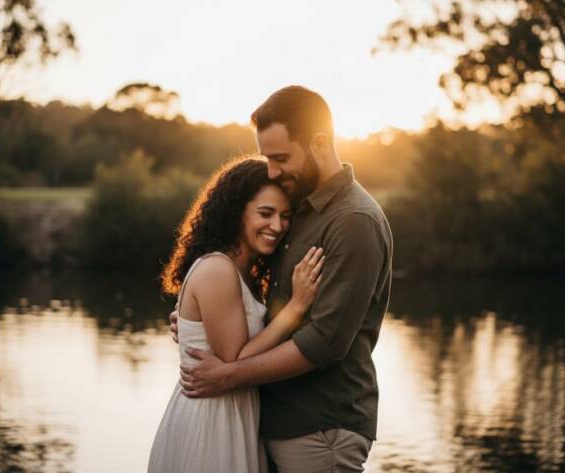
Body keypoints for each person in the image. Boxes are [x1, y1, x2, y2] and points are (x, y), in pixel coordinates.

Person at [170, 86, 394, 472]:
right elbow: (265, 304)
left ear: (319, 143)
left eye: (280, 157)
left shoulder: (353, 222)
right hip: (272, 421)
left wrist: (227, 375)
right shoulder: (299, 207)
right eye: (266, 158)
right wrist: (201, 322)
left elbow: (324, 342)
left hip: (321, 427)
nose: (272, 170)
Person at [148, 158, 326, 473]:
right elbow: (234, 359)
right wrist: (296, 308)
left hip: (233, 413)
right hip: (209, 419)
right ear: (236, 212)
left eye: (285, 216)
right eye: (265, 213)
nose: (277, 226)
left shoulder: (244, 273)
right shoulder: (218, 268)